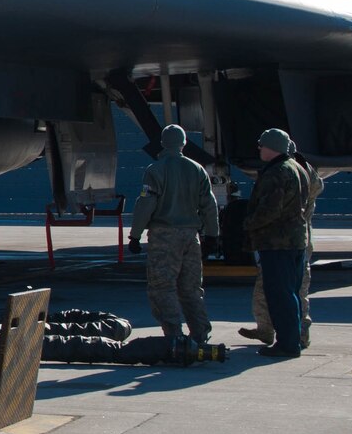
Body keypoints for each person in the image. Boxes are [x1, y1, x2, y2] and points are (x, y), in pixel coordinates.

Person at [128, 123, 221, 343]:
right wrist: (213, 235)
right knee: (191, 288)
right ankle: (200, 333)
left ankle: (174, 336)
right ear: (184, 143)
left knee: (162, 287)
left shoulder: (155, 170)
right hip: (191, 236)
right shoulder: (197, 169)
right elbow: (209, 205)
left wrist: (135, 235)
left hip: (164, 236)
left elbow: (146, 204)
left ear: (162, 143)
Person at [241, 136, 323, 349]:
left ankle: (290, 339)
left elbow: (271, 209)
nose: (259, 148)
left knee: (283, 292)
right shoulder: (303, 171)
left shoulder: (281, 172)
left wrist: (248, 224)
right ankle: (280, 332)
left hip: (279, 241)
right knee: (290, 291)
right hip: (297, 238)